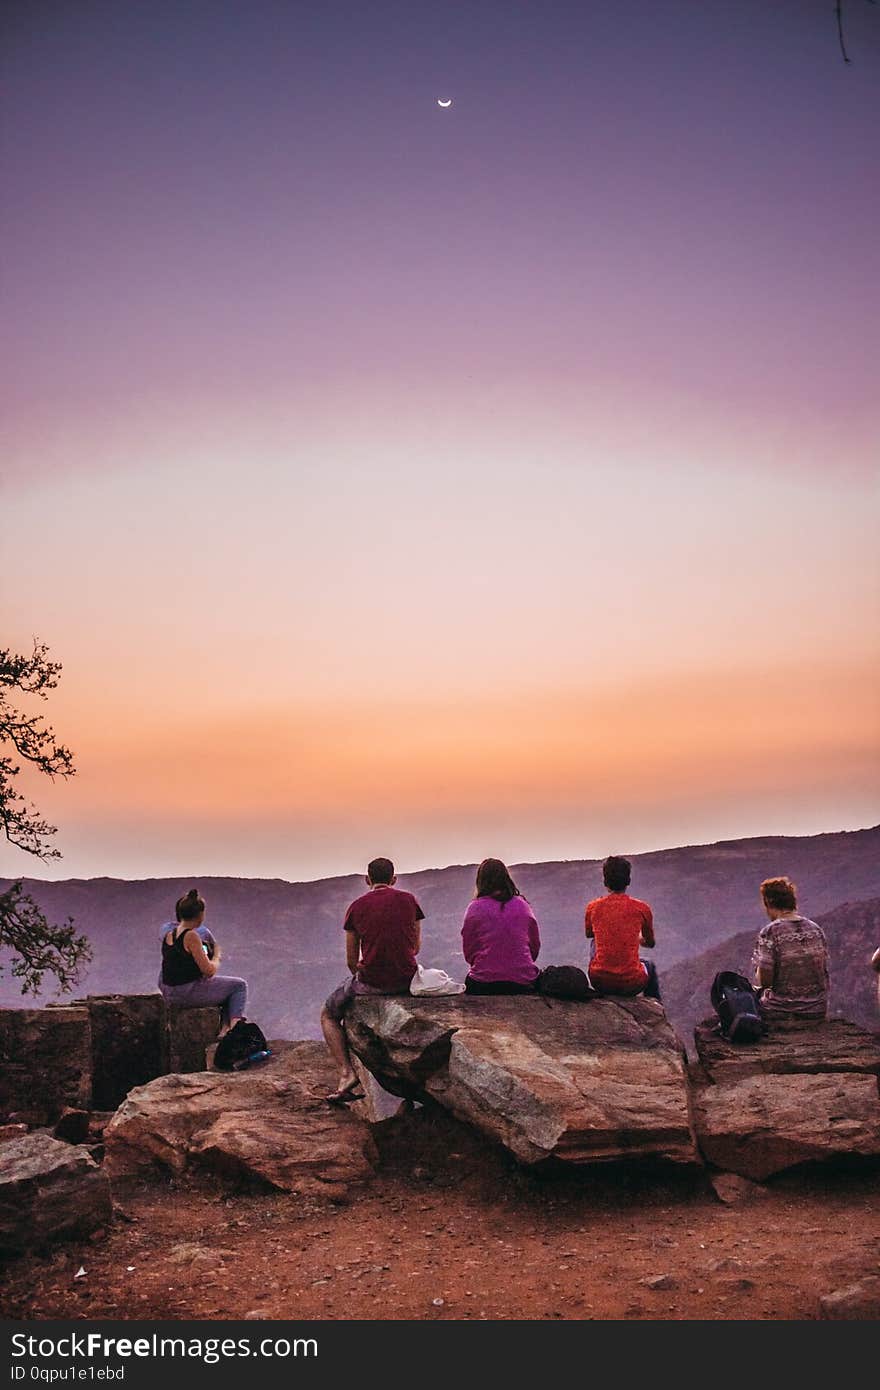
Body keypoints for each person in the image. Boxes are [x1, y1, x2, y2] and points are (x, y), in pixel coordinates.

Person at [320, 857, 425, 1104]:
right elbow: (415, 947)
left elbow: (351, 959)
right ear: (394, 879)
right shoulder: (410, 901)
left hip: (372, 982)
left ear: (367, 880)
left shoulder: (356, 907)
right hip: (407, 979)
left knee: (328, 1014)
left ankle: (346, 1073)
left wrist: (365, 972)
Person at [158, 888, 248, 1036]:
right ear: (200, 914)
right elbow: (209, 971)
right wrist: (217, 956)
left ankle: (224, 1031)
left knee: (224, 990)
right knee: (239, 986)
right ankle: (236, 1028)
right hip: (185, 993)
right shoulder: (191, 936)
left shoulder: (169, 933)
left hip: (169, 992)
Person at [751, 877, 828, 1023]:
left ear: (768, 903)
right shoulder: (816, 929)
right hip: (817, 1009)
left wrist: (758, 972)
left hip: (782, 1009)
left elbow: (765, 982)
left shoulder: (771, 931)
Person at [584, 855, 661, 1000]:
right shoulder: (642, 908)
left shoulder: (593, 907)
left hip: (600, 981)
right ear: (628, 881)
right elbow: (650, 943)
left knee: (594, 941)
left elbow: (589, 933)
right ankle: (655, 1009)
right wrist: (636, 938)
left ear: (605, 882)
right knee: (649, 965)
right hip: (632, 983)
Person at [461, 858, 540, 994]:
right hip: (523, 981)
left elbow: (469, 950)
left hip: (483, 983)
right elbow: (534, 946)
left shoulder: (475, 907)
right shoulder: (523, 905)